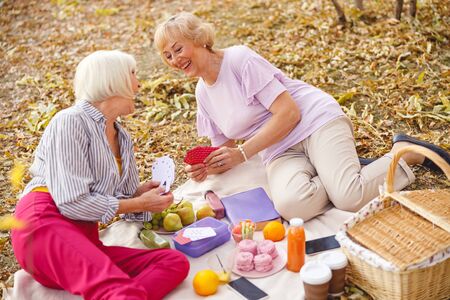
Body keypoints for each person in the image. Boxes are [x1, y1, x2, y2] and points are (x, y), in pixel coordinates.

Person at [153, 12, 450, 221]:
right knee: (292, 206)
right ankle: (334, 172)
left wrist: (242, 153)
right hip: (279, 149)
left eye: (178, 48)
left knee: (350, 197)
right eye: (167, 56)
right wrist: (209, 166)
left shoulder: (239, 59)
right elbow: (227, 148)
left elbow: (289, 113)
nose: (175, 59)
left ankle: (404, 153)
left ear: (199, 40)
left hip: (313, 122)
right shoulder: (203, 95)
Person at [11, 50, 189, 300]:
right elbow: (72, 203)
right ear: (112, 80)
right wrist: (137, 202)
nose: (139, 84)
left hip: (83, 238)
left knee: (172, 262)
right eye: (133, 74)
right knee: (120, 291)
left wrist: (142, 197)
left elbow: (126, 205)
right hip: (44, 225)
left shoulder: (122, 138)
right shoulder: (70, 122)